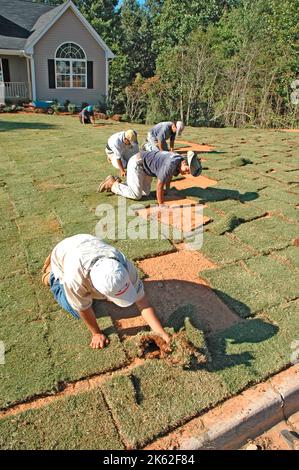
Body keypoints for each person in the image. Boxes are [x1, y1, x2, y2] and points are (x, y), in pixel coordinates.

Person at [41, 234, 170, 349]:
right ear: (95, 288)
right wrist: (96, 333)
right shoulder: (74, 280)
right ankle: (51, 275)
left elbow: (142, 301)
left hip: (85, 241)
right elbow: (83, 309)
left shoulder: (125, 267)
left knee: (94, 303)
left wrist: (160, 332)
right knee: (75, 310)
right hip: (65, 254)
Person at [98, 150, 202, 206]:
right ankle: (112, 184)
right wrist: (161, 204)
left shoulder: (177, 159)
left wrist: (168, 190)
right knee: (136, 195)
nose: (187, 172)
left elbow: (168, 176)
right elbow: (159, 186)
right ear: (184, 162)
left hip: (146, 168)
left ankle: (118, 183)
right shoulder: (170, 164)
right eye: (187, 169)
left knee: (145, 193)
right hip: (138, 164)